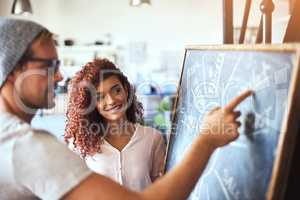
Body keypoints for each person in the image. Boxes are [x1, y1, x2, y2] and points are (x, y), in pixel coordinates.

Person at [0, 17, 252, 200]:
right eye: (50, 65)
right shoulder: (23, 146)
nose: (59, 76)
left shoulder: (150, 138)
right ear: (13, 71)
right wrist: (207, 139)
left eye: (116, 90)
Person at [64, 59, 166, 191]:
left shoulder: (153, 138)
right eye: (100, 97)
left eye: (116, 90)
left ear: (126, 90)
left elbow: (161, 189)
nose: (111, 101)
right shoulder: (79, 144)